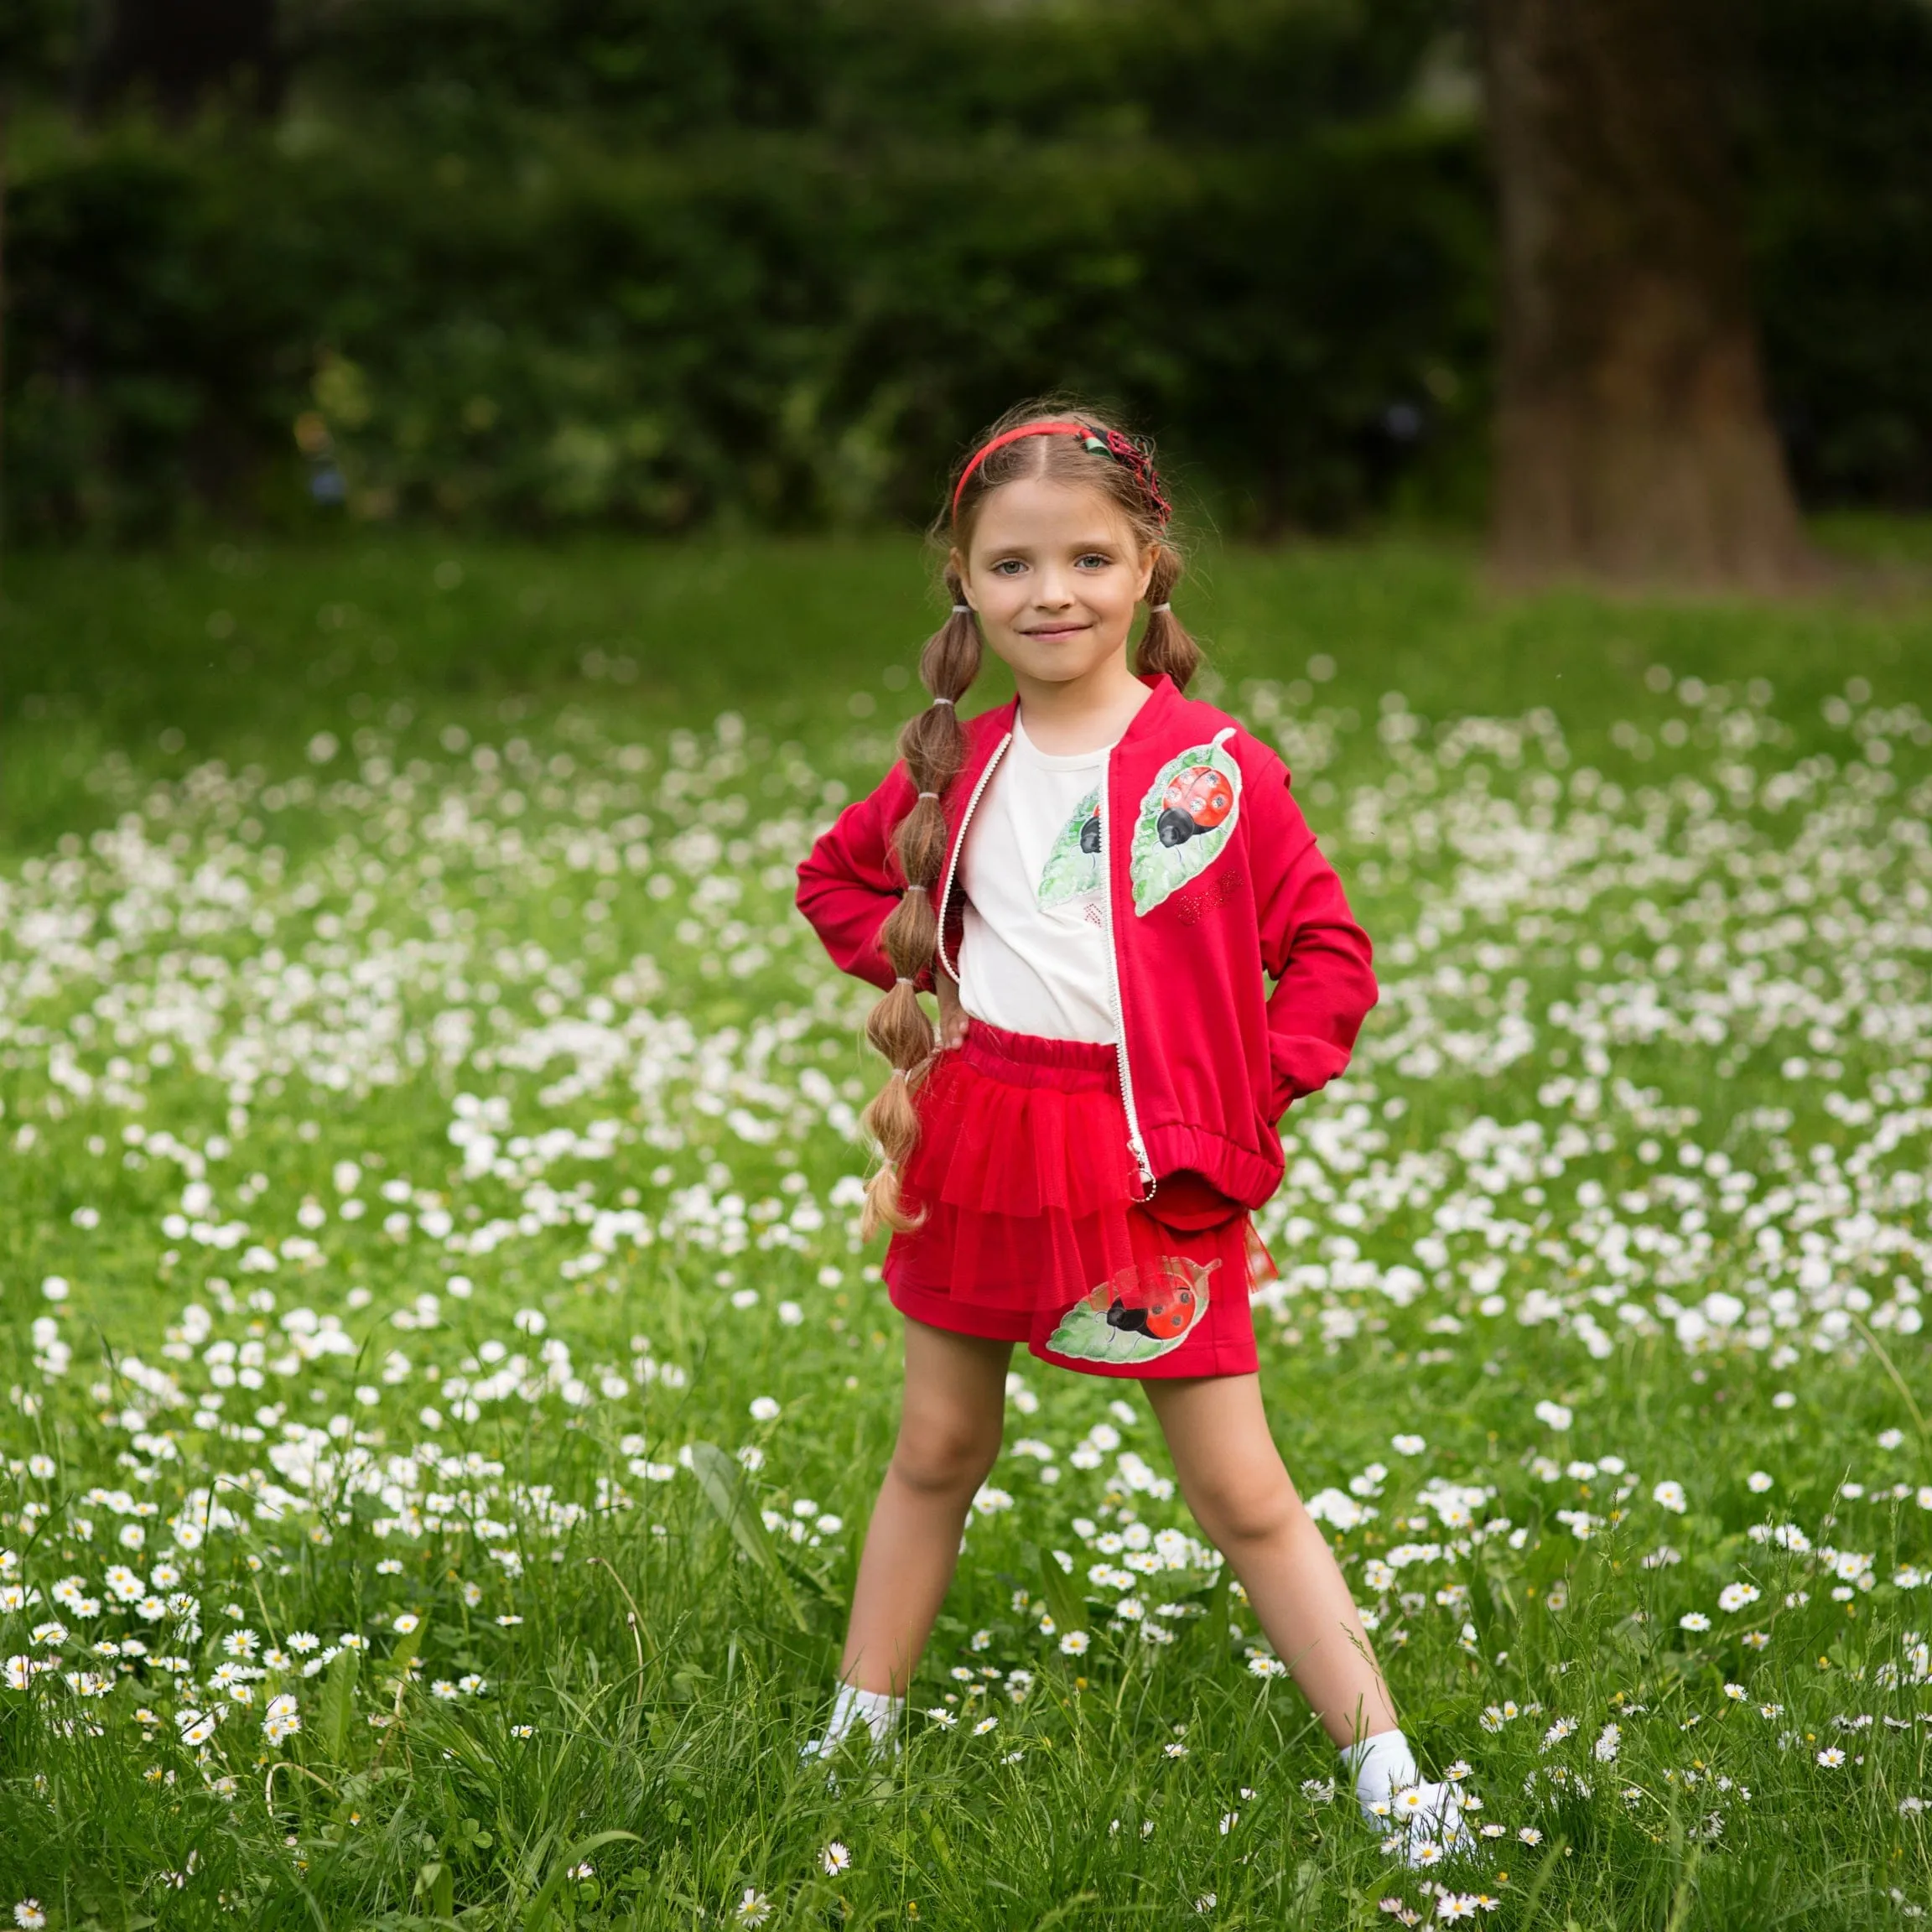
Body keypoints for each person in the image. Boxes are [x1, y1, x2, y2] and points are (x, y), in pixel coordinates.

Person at [793, 402, 1468, 1862]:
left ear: (1149, 567)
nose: (1053, 593)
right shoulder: (952, 768)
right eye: (1015, 563)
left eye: (1089, 558)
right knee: (936, 1448)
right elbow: (836, 882)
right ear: (962, 582)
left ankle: (1395, 1778)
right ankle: (856, 1731)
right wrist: (939, 960)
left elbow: (1330, 954)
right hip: (981, 1133)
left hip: (1154, 1163)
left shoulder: (1212, 770)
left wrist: (1248, 1081)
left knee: (1239, 1487)